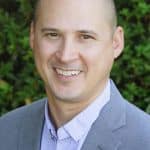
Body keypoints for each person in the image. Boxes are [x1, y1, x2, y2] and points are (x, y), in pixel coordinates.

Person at [0, 0, 150, 149]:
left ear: (116, 43)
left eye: (85, 37)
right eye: (53, 34)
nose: (65, 56)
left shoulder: (144, 141)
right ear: (32, 36)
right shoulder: (5, 131)